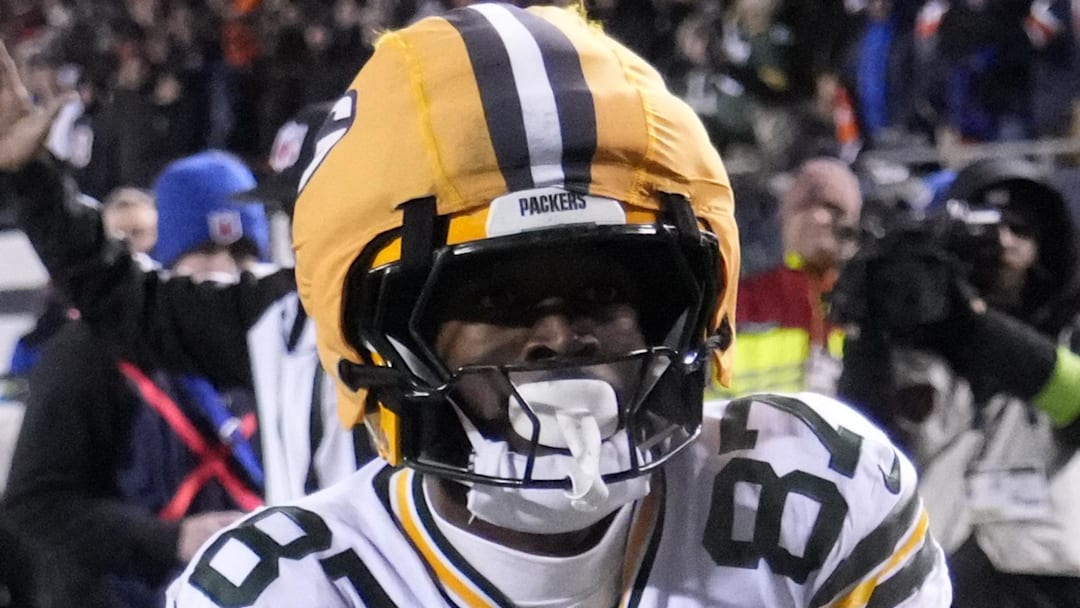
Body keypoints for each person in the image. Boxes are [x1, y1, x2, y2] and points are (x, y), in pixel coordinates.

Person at [162, 4, 949, 606]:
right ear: (389, 337)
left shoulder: (809, 492)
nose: (559, 337)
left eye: (603, 293)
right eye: (497, 297)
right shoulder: (288, 586)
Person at [837, 157, 1080, 607]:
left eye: (1020, 230)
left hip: (1051, 583)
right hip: (937, 575)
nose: (1002, 242)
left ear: (1049, 245)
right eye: (984, 229)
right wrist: (869, 328)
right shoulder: (916, 342)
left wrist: (971, 325)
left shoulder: (1070, 330)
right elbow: (864, 448)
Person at [717, 156, 862, 398]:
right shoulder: (744, 298)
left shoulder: (867, 301)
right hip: (746, 431)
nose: (818, 219)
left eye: (833, 210)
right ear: (784, 222)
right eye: (805, 208)